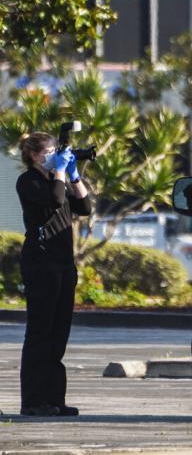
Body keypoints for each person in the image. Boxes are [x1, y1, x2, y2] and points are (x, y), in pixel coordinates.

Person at [16, 132, 92, 417]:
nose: (53, 156)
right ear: (35, 156)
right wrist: (60, 171)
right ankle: (33, 401)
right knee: (40, 332)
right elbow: (57, 200)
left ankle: (54, 399)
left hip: (63, 263)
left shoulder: (56, 179)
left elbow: (83, 207)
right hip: (40, 263)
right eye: (48, 152)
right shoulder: (29, 182)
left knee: (59, 333)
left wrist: (74, 175)